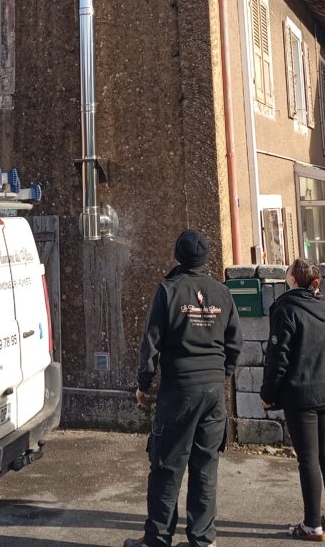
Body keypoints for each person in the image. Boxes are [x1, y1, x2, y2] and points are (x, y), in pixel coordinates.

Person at [124, 229, 243, 547]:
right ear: (206, 258)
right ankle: (202, 540)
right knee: (206, 468)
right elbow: (235, 344)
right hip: (213, 393)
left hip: (179, 391)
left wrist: (144, 384)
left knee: (166, 467)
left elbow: (150, 343)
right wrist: (220, 375)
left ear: (178, 256)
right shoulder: (222, 293)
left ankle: (157, 539)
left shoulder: (168, 291)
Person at [260, 258, 325, 542]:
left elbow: (278, 357)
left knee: (308, 459)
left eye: (288, 271)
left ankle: (312, 525)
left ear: (293, 280)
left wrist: (268, 394)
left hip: (303, 393)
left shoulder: (287, 308)